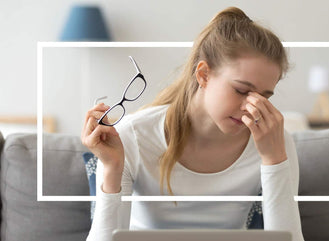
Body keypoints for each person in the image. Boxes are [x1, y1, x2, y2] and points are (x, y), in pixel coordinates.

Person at [82, 6, 304, 241]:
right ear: (204, 75)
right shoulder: (134, 135)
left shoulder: (273, 142)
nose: (252, 108)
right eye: (241, 90)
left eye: (265, 97)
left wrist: (274, 161)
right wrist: (112, 168)